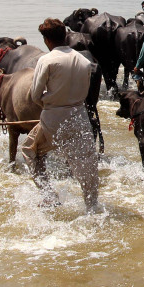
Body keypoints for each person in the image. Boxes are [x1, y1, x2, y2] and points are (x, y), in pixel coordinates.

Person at [20, 18, 101, 211]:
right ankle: (93, 207)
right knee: (86, 165)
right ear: (65, 35)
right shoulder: (84, 60)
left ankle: (48, 195)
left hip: (53, 120)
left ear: (47, 41)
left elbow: (35, 95)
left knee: (29, 150)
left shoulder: (46, 60)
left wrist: (50, 105)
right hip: (80, 117)